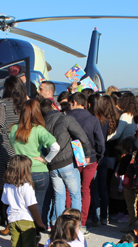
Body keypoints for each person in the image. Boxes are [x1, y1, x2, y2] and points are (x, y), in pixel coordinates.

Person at [39, 97, 91, 228]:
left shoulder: (42, 124)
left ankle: (57, 225)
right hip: (67, 162)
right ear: (53, 105)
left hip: (52, 165)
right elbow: (82, 137)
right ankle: (75, 226)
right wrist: (87, 154)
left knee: (59, 197)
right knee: (75, 195)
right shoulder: (66, 119)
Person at [10, 99, 60, 210]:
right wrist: (46, 159)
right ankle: (38, 227)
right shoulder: (39, 129)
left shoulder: (13, 129)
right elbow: (56, 147)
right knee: (39, 207)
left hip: (20, 172)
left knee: (21, 207)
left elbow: (13, 147)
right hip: (39, 171)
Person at [67, 92, 105, 230]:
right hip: (91, 158)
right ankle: (82, 222)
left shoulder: (67, 117)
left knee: (69, 190)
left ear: (75, 102)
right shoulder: (93, 119)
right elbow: (100, 142)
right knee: (86, 190)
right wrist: (99, 157)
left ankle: (68, 219)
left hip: (72, 157)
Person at [2, 155, 47, 247]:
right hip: (26, 220)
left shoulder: (7, 185)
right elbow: (32, 206)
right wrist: (39, 224)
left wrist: (6, 219)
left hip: (12, 219)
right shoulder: (27, 186)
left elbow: (5, 203)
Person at [92, 95, 120, 225]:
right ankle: (105, 215)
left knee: (94, 187)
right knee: (103, 187)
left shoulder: (93, 120)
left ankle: (96, 217)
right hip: (104, 154)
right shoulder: (104, 121)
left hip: (96, 155)